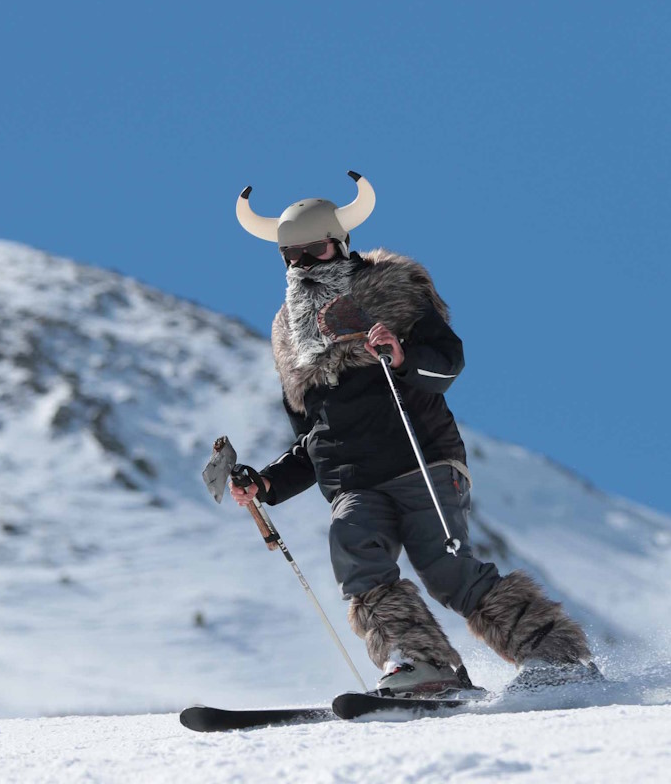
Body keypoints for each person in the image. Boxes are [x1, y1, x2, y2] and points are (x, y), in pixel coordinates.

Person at [231, 171, 594, 695]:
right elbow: (314, 438)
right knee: (355, 552)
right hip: (353, 482)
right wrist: (265, 485)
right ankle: (423, 666)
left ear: (342, 244)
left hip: (420, 461)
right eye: (292, 256)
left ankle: (556, 659)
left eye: (316, 251)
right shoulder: (288, 335)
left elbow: (448, 364)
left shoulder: (396, 290)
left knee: (446, 570)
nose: (304, 266)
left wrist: (401, 356)